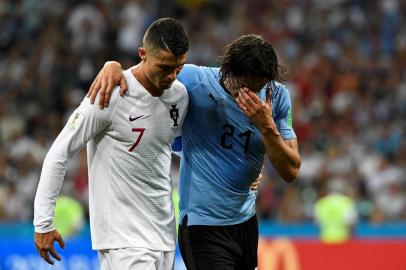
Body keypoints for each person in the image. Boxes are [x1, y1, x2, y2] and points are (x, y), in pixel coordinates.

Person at [88, 34, 301, 270]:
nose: (251, 93)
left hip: (245, 222)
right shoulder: (194, 80)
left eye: (258, 87)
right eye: (245, 85)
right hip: (203, 226)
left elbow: (291, 170)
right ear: (228, 69)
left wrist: (266, 127)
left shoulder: (277, 96)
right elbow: (147, 71)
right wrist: (113, 66)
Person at [33, 18, 190, 270]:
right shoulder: (110, 93)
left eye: (178, 68)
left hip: (164, 237)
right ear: (142, 54)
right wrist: (43, 222)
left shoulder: (180, 95)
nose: (171, 76)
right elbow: (59, 152)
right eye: (164, 67)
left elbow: (180, 146)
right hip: (123, 239)